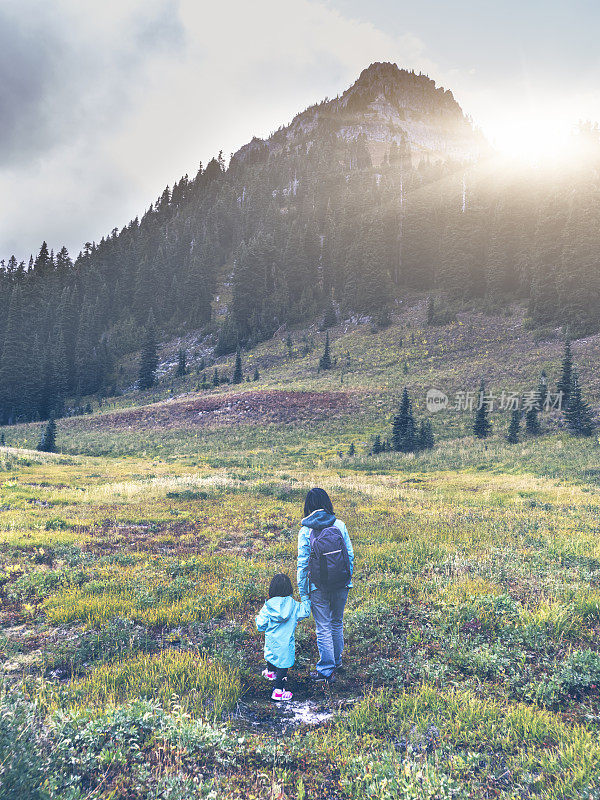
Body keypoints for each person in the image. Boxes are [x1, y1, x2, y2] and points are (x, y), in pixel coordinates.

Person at [297, 487, 354, 683]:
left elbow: (303, 564)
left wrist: (303, 592)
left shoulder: (305, 530)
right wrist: (347, 579)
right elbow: (350, 556)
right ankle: (336, 662)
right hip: (342, 583)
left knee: (323, 626)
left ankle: (326, 670)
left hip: (317, 586)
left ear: (308, 507)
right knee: (336, 622)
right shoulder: (340, 524)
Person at [256, 573, 311, 701]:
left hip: (271, 641)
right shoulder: (294, 605)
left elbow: (260, 625)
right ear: (289, 590)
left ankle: (270, 672)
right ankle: (278, 691)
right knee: (283, 665)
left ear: (272, 589)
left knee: (271, 655)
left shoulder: (268, 606)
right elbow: (306, 612)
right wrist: (305, 598)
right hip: (286, 644)